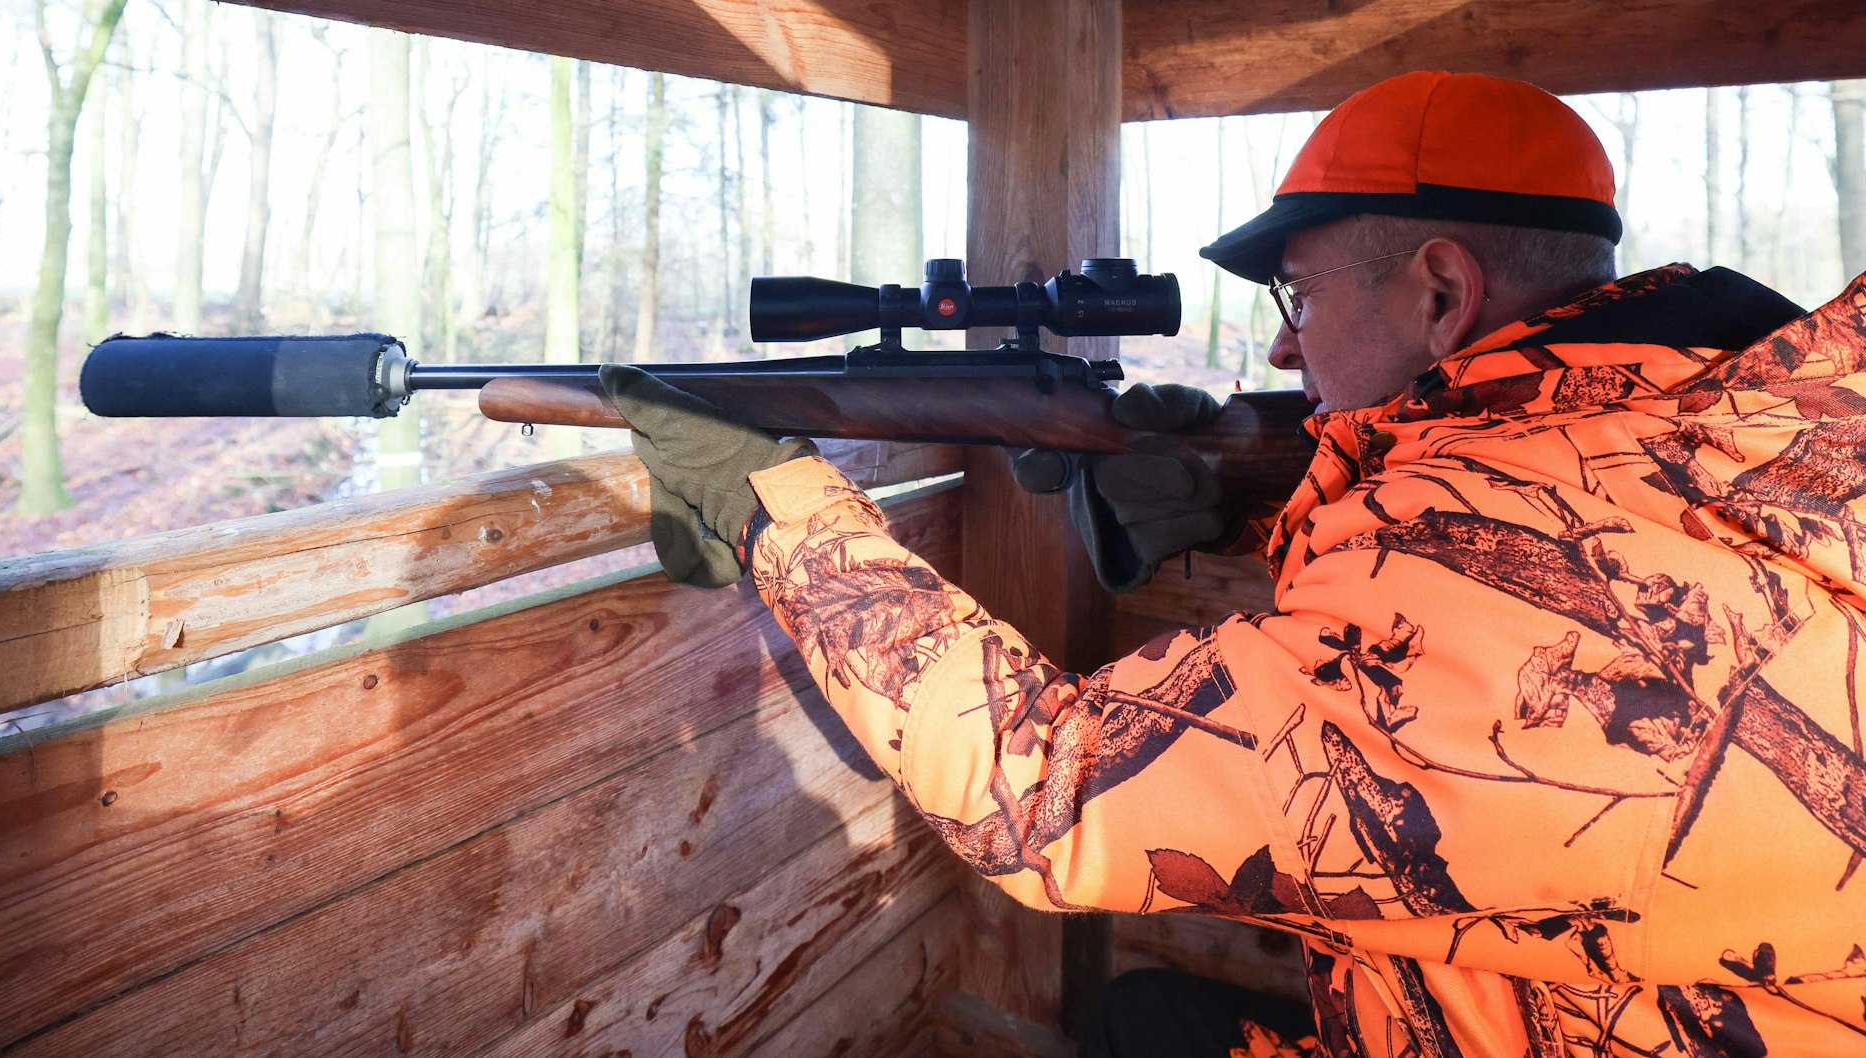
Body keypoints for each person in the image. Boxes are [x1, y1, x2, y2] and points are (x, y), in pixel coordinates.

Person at [604, 70, 1866, 1057]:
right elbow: (1514, 489)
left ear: (1439, 293)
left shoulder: (1482, 589)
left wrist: (773, 502)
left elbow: (1052, 799)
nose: (1278, 354)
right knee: (1146, 1022)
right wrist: (1227, 485)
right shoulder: (1746, 429)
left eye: (1298, 298)